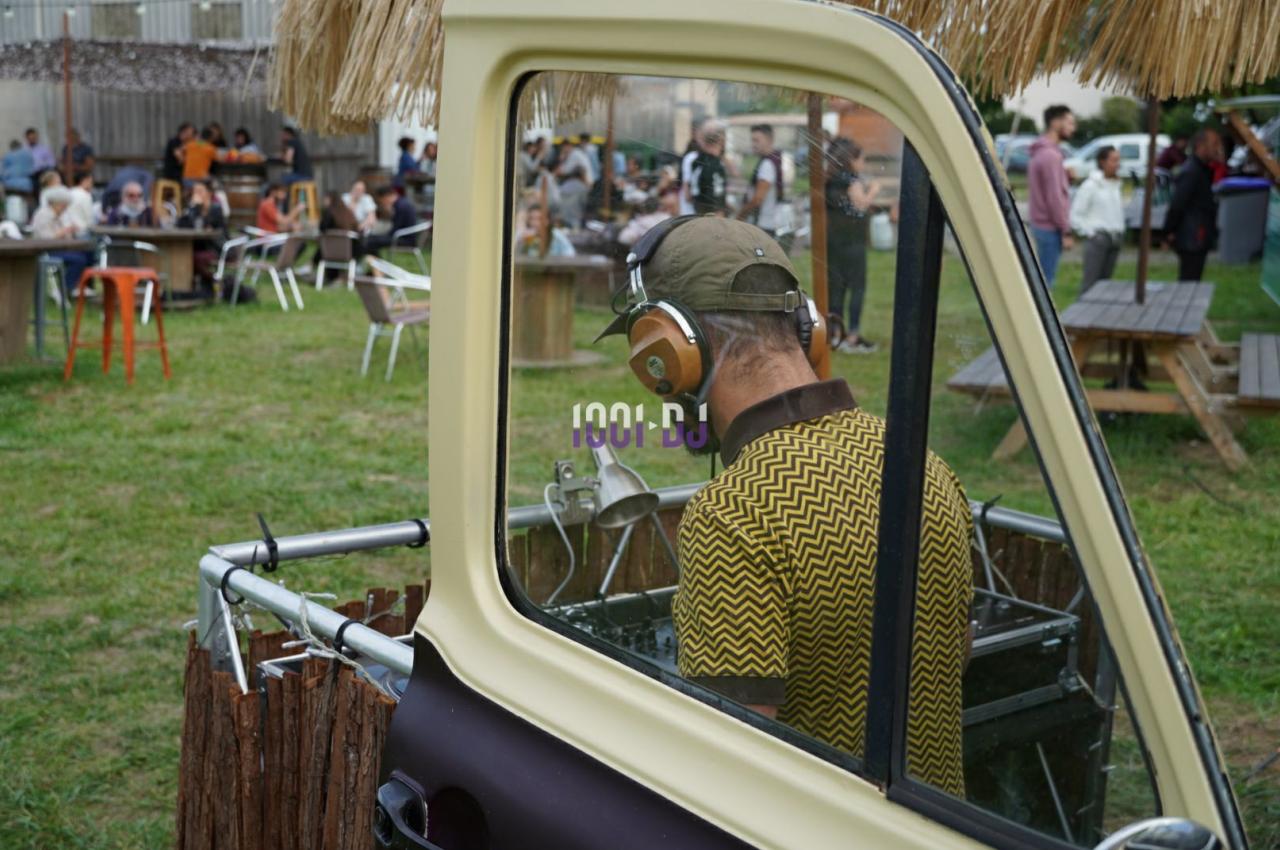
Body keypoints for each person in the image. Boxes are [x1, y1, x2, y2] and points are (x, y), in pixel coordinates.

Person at [594, 216, 972, 796]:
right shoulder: (922, 463)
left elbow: (732, 763)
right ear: (806, 329)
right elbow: (954, 653)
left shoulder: (733, 515)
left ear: (669, 352)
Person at [825, 138, 881, 354]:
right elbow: (860, 205)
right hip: (852, 243)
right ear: (852, 159)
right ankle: (853, 336)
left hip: (834, 243)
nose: (863, 164)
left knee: (836, 288)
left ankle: (836, 333)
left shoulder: (829, 180)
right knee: (857, 287)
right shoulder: (851, 180)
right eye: (862, 159)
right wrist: (873, 190)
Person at [1163, 128, 1224, 282]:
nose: (1218, 148)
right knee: (1189, 281)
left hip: (1197, 235)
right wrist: (1168, 231)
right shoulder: (1192, 171)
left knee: (1193, 279)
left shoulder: (1202, 169)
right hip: (1193, 236)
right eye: (1214, 144)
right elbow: (1177, 204)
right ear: (1200, 145)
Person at [1027, 104, 1076, 287]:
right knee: (1045, 285)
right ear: (1055, 123)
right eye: (1069, 123)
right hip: (1049, 227)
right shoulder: (1051, 156)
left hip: (1041, 224)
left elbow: (1047, 188)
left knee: (1041, 280)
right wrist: (1066, 230)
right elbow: (1054, 199)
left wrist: (1065, 178)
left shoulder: (1044, 152)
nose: (1073, 128)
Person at [1070, 145, 1126, 294]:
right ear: (1102, 162)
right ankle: (1082, 308)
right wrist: (1091, 233)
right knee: (1091, 282)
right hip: (1099, 238)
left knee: (1105, 284)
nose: (1117, 164)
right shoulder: (1090, 185)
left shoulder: (1116, 185)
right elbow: (1076, 215)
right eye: (1114, 160)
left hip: (1115, 238)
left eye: (1118, 160)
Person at [31, 186, 93, 290]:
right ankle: (67, 288)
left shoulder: (58, 215)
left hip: (58, 249)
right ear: (56, 203)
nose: (65, 209)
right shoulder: (43, 215)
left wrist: (70, 232)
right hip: (47, 251)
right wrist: (65, 231)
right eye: (64, 206)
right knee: (79, 260)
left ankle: (83, 285)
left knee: (88, 253)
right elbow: (46, 239)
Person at [178, 181, 228, 291]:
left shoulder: (216, 209)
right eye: (195, 191)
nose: (197, 194)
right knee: (182, 255)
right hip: (199, 247)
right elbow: (181, 225)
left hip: (216, 248)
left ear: (209, 193)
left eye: (200, 191)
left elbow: (210, 227)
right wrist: (191, 207)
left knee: (193, 258)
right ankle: (193, 287)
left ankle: (215, 283)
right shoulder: (195, 209)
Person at [736, 124, 784, 237]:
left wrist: (740, 215)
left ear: (769, 140)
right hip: (770, 222)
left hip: (763, 224)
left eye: (756, 140)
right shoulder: (774, 159)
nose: (753, 144)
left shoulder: (767, 164)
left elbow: (758, 199)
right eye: (752, 140)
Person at [364, 185, 418, 253]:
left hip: (405, 239)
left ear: (386, 197)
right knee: (372, 238)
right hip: (402, 236)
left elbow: (395, 229)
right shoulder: (401, 203)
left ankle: (374, 259)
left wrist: (383, 236)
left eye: (381, 201)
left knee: (371, 241)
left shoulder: (400, 206)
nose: (382, 204)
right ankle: (375, 258)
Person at [689, 126, 727, 216]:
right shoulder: (713, 164)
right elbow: (714, 190)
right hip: (712, 211)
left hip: (698, 207)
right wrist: (718, 210)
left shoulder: (697, 161)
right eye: (721, 145)